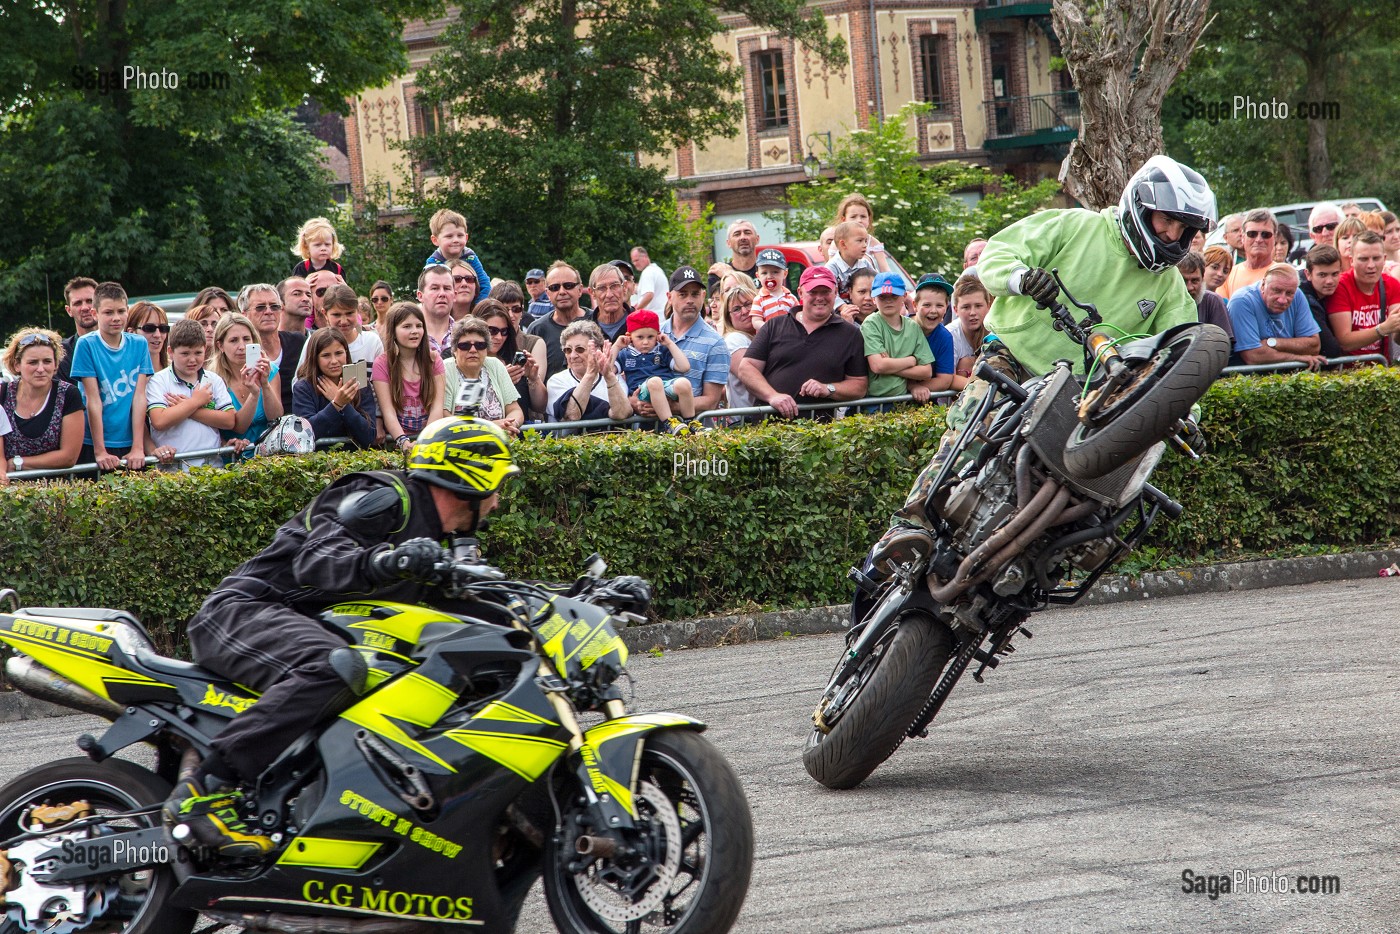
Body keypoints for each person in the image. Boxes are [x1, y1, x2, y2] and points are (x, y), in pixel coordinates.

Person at [164, 417, 520, 857]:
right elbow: (317, 558)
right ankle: (205, 788)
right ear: (471, 478)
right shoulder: (386, 498)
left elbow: (484, 603)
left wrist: (578, 600)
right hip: (244, 611)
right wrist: (386, 561)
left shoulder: (432, 544)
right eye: (498, 484)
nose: (499, 500)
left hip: (295, 625)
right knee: (333, 665)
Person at [860, 154, 1217, 585]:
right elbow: (997, 253)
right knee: (973, 421)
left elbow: (1184, 353)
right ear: (1140, 205)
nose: (1172, 235)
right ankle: (910, 523)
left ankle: (1034, 566)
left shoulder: (1169, 287)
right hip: (1012, 353)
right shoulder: (1076, 226)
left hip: (1081, 396)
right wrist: (1021, 278)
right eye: (1167, 221)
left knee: (1113, 492)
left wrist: (1187, 413)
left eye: (1185, 230)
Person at [738, 265, 869, 420]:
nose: (819, 297)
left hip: (817, 435)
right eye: (813, 292)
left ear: (835, 293)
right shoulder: (774, 325)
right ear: (800, 293)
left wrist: (828, 388)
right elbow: (746, 368)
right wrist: (773, 396)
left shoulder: (850, 334)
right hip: (766, 430)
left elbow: (859, 386)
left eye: (825, 291)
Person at [70, 282, 154, 471]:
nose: (116, 318)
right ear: (95, 314)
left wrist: (138, 447)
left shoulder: (139, 344)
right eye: (108, 313)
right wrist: (100, 451)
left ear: (127, 311)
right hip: (93, 442)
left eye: (120, 311)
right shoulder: (86, 344)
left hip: (129, 439)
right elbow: (93, 400)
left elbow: (140, 397)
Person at [146, 319, 236, 469]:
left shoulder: (213, 379)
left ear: (205, 349)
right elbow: (159, 421)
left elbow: (229, 420)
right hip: (173, 471)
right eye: (185, 353)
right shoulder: (158, 381)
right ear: (170, 352)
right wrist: (195, 402)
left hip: (212, 468)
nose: (192, 359)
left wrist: (187, 407)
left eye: (198, 353)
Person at [0, 328, 85, 475]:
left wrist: (18, 463)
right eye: (33, 362)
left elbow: (69, 456)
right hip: (9, 488)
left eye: (47, 361)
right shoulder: (3, 393)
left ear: (56, 365)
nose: (41, 369)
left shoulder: (68, 395)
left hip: (55, 490)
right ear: (17, 365)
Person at [861, 272, 942, 407]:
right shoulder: (871, 323)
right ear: (874, 298)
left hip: (905, 402)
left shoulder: (912, 326)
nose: (888, 300)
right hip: (874, 402)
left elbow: (927, 372)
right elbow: (878, 366)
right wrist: (910, 361)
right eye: (882, 296)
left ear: (904, 296)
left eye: (894, 295)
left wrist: (889, 365)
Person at [374, 301, 446, 451]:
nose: (415, 331)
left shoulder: (434, 359)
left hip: (430, 440)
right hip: (397, 443)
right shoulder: (382, 364)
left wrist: (423, 441)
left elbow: (437, 408)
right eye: (407, 326)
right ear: (393, 331)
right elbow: (388, 412)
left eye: (419, 326)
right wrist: (403, 442)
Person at [211, 312, 283, 457]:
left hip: (268, 458)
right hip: (232, 460)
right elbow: (238, 427)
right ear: (220, 346)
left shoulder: (270, 370)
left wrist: (265, 385)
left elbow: (276, 417)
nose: (242, 346)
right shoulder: (213, 380)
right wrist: (254, 394)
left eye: (246, 339)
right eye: (233, 340)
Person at [1226, 263, 1325, 369]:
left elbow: (1314, 345)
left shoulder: (1297, 294)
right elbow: (1253, 356)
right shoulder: (1242, 301)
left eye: (1289, 293)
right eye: (1276, 291)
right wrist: (1297, 358)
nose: (1282, 300)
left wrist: (1272, 343)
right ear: (1263, 285)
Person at [293, 327, 379, 449]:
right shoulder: (303, 387)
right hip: (317, 461)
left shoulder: (358, 384)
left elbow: (369, 436)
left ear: (346, 353)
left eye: (339, 353)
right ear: (315, 358)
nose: (334, 361)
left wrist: (344, 405)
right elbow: (306, 433)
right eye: (326, 355)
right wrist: (336, 404)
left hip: (356, 460)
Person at [615, 309, 698, 435]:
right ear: (629, 336)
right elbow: (608, 369)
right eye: (640, 337)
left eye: (650, 337)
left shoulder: (661, 351)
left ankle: (691, 423)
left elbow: (684, 367)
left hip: (664, 388)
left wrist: (669, 343)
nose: (645, 342)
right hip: (642, 392)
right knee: (655, 381)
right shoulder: (625, 354)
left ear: (658, 336)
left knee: (683, 383)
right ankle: (669, 422)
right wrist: (616, 346)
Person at [443, 316, 525, 437]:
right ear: (455, 350)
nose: (473, 350)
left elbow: (515, 409)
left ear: (486, 349)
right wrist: (489, 428)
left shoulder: (495, 366)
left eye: (480, 345)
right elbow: (444, 416)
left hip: (498, 443)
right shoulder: (446, 369)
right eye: (465, 346)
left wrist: (510, 425)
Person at [1325, 231, 1400, 359]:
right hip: (1346, 372)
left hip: (1381, 370)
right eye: (1363, 259)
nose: (1371, 265)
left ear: (1385, 259)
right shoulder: (1341, 286)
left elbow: (1397, 338)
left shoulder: (1392, 284)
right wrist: (1382, 329)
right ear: (1351, 260)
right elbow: (1344, 342)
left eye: (1376, 258)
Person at [544, 320, 631, 427]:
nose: (573, 356)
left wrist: (608, 375)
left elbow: (622, 414)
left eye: (580, 349)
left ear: (598, 350)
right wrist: (590, 374)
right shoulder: (556, 380)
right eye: (568, 350)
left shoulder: (614, 379)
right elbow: (572, 415)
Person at [238, 283, 304, 416]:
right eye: (260, 307)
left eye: (275, 306)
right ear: (244, 315)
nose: (268, 312)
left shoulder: (298, 343)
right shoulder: (239, 351)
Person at [478, 299, 546, 419]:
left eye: (504, 331)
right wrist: (498, 382)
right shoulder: (464, 356)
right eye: (492, 331)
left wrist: (534, 379)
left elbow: (540, 407)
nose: (499, 337)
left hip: (517, 431)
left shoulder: (515, 356)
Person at [527, 262, 587, 378]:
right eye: (555, 288)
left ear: (580, 290)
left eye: (568, 285)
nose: (562, 291)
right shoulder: (537, 329)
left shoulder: (596, 320)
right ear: (548, 293)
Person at [910, 274, 964, 390]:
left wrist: (916, 387)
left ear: (946, 307)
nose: (933, 311)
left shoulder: (944, 337)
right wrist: (909, 388)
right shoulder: (900, 328)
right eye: (927, 305)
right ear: (915, 305)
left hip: (925, 403)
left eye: (939, 305)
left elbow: (944, 380)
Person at [424, 208, 490, 300]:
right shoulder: (433, 263)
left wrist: (478, 307)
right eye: (449, 236)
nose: (455, 240)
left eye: (460, 235)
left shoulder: (470, 257)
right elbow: (430, 292)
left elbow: (484, 284)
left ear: (466, 238)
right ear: (435, 240)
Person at [1298, 245, 1346, 359]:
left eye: (1334, 274)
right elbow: (1330, 350)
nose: (1329, 281)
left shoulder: (1337, 290)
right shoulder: (1304, 297)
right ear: (1308, 274)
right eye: (1322, 275)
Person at [719, 282, 759, 415]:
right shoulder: (734, 339)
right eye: (736, 309)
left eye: (748, 304)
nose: (745, 311)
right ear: (728, 318)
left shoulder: (762, 335)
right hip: (747, 423)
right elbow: (752, 376)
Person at [1177, 251, 1235, 342]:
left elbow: (1224, 344)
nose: (1189, 287)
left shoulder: (1213, 301)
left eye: (1195, 280)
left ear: (1202, 278)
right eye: (1183, 281)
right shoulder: (1164, 300)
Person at [1218, 209, 1277, 299]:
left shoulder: (1285, 275)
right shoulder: (1227, 275)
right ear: (1243, 237)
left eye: (1265, 234)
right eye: (1252, 234)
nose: (1259, 240)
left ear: (1275, 238)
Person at [945, 275, 991, 379]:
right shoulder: (949, 335)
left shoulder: (996, 331)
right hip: (960, 393)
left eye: (978, 306)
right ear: (956, 310)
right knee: (965, 362)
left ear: (988, 306)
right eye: (966, 307)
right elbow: (948, 379)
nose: (973, 313)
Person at [57, 276, 98, 382]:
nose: (85, 307)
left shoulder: (123, 345)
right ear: (69, 310)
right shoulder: (61, 354)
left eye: (90, 301)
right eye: (78, 303)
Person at [707, 219, 760, 293]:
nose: (743, 237)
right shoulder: (718, 275)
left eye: (747, 233)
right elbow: (719, 303)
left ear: (757, 239)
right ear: (728, 243)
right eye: (737, 234)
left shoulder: (768, 270)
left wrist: (730, 275)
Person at [823, 221, 876, 294]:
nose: (865, 245)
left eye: (865, 241)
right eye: (860, 240)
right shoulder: (831, 268)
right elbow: (829, 293)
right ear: (843, 244)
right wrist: (841, 305)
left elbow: (877, 285)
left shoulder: (865, 264)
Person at [750, 248, 799, 325]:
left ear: (785, 274)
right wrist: (769, 330)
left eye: (775, 272)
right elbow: (756, 321)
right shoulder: (759, 300)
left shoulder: (791, 298)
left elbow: (798, 317)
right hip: (769, 336)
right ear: (758, 276)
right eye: (764, 273)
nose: (769, 276)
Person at [125, 301, 171, 375]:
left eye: (163, 328)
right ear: (131, 332)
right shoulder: (122, 374)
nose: (157, 335)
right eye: (149, 328)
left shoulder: (177, 371)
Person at [630, 246, 668, 313]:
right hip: (664, 315)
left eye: (636, 260)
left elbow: (649, 295)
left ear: (645, 257)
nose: (635, 264)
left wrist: (635, 311)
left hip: (655, 317)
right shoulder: (657, 270)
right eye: (633, 261)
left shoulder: (647, 272)